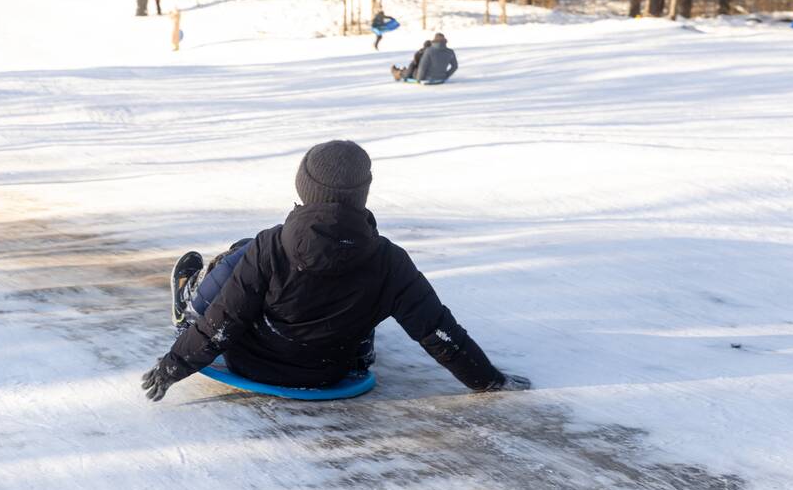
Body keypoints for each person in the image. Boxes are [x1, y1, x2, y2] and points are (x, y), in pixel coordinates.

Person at [140, 140, 532, 401]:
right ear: (362, 193)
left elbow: (223, 322)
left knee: (239, 254)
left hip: (253, 363)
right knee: (358, 295)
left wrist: (173, 365)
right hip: (328, 371)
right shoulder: (390, 261)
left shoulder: (269, 245)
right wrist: (488, 380)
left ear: (303, 187)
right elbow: (437, 330)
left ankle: (191, 302)